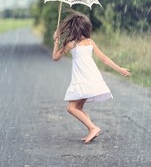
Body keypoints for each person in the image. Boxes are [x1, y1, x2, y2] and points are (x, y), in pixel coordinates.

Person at [52, 10, 131, 144]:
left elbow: (55, 57)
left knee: (71, 108)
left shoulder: (71, 44)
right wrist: (119, 69)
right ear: (85, 28)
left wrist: (56, 41)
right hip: (92, 79)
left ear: (74, 29)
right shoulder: (90, 42)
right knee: (78, 108)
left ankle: (93, 127)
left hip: (83, 80)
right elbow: (104, 59)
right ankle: (91, 130)